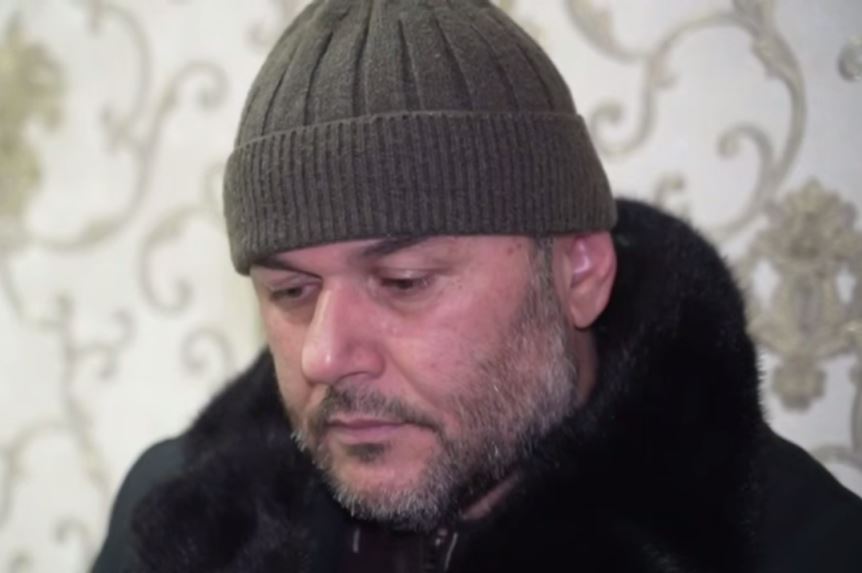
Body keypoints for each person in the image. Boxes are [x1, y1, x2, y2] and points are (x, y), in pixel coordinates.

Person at [91, 1, 862, 571]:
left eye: (403, 280)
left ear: (578, 273)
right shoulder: (171, 522)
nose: (325, 355)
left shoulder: (802, 547)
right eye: (292, 292)